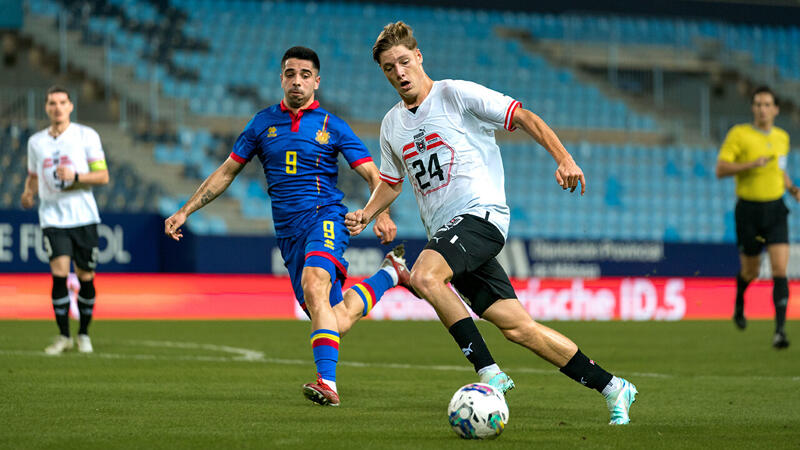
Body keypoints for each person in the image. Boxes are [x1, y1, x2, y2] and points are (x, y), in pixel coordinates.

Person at [345, 22, 637, 425]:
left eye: (404, 62)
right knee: (519, 328)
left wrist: (564, 158)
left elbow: (524, 116)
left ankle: (489, 372)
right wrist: (368, 211)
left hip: (481, 216)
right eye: (389, 68)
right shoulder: (392, 125)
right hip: (449, 234)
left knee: (426, 276)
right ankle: (613, 386)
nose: (399, 73)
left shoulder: (455, 94)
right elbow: (392, 184)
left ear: (419, 57)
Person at [164, 46, 414, 407]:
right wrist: (186, 210)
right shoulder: (262, 123)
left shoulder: (332, 125)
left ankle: (327, 383)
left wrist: (383, 214)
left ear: (316, 82)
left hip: (326, 219)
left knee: (315, 283)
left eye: (305, 75)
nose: (297, 81)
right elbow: (226, 172)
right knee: (333, 318)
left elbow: (373, 173)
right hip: (288, 233)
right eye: (290, 73)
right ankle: (391, 273)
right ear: (281, 78)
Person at [21, 85, 110, 355]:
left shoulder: (86, 136)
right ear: (46, 108)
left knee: (86, 276)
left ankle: (83, 333)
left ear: (71, 106)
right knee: (59, 275)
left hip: (83, 216)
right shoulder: (36, 142)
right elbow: (34, 175)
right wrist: (28, 192)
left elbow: (103, 176)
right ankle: (63, 336)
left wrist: (77, 177)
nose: (57, 107)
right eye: (52, 103)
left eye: (62, 102)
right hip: (52, 218)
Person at [716, 85, 795, 349]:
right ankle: (740, 300)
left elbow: (778, 170)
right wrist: (751, 164)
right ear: (753, 108)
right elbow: (721, 169)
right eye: (758, 104)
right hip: (748, 211)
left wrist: (792, 187)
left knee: (779, 269)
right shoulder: (740, 134)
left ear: (775, 109)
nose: (762, 109)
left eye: (767, 104)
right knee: (750, 270)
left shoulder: (782, 137)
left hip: (775, 210)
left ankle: (780, 331)